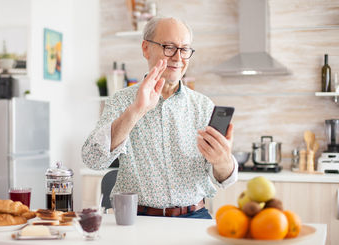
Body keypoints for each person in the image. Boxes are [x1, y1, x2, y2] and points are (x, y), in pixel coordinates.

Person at [82, 17, 238, 219]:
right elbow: (93, 160)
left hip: (195, 216)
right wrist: (136, 110)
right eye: (169, 47)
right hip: (137, 218)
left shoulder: (203, 106)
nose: (178, 57)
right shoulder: (121, 101)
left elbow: (224, 179)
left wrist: (223, 161)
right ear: (146, 48)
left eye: (184, 49)